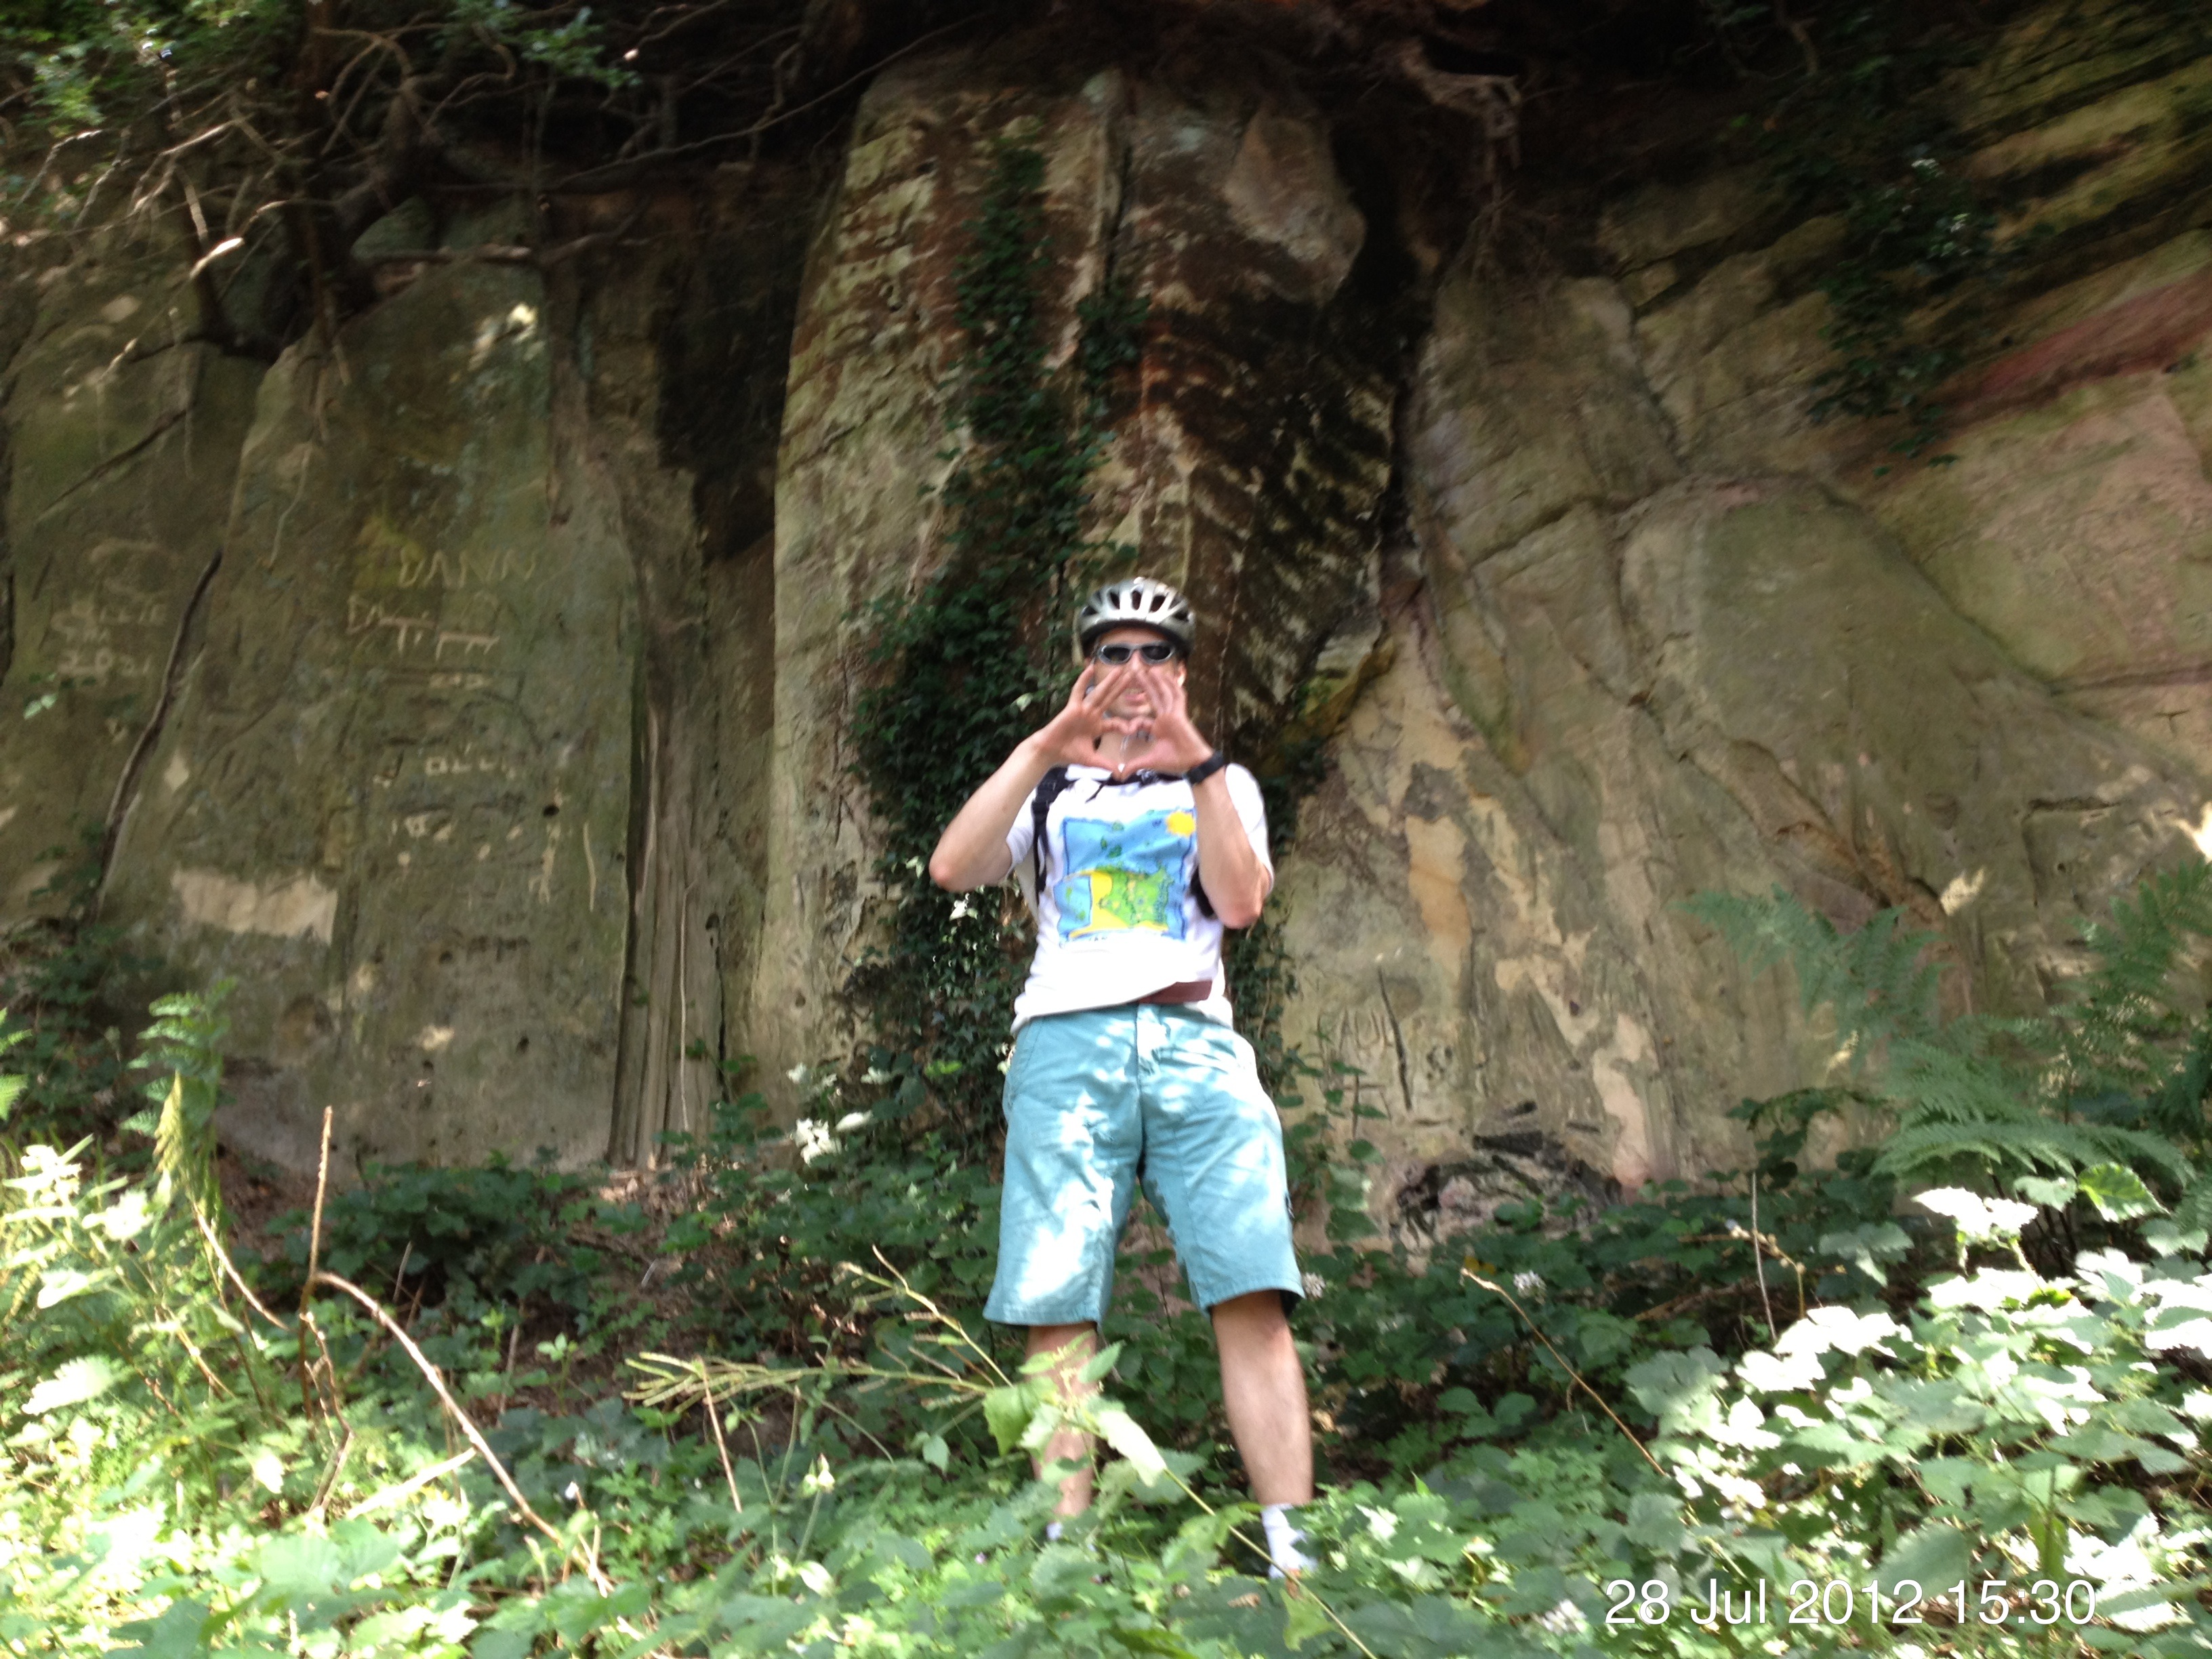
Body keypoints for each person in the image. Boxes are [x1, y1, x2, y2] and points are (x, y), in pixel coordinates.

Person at [928, 577, 1315, 1578]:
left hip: (1197, 1042)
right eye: (1113, 652)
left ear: (1182, 672)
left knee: (1252, 1287)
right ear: (1084, 668)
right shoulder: (1051, 785)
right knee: (1058, 1302)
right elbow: (953, 867)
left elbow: (1240, 902)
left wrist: (1198, 764)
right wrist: (1041, 748)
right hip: (1066, 1043)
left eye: (1155, 654)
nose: (1134, 671)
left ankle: (1297, 1553)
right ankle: (1068, 1550)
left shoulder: (1223, 783)